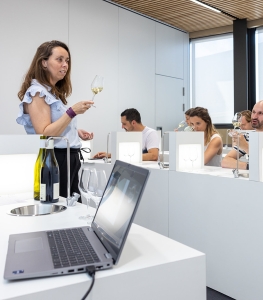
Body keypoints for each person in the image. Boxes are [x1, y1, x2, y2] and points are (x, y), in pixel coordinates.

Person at [16, 40, 94, 199]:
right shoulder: (37, 92)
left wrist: (74, 131)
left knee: (71, 206)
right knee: (60, 208)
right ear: (44, 62)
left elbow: (53, 124)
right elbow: (45, 134)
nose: (65, 65)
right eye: (59, 59)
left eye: (67, 61)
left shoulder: (51, 92)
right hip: (56, 159)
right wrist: (72, 112)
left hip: (67, 157)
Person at [222, 100, 263, 170]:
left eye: (260, 113)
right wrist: (249, 166)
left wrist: (246, 147)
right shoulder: (248, 136)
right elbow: (225, 161)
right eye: (254, 112)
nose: (254, 117)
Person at [93, 108, 159, 161]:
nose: (122, 127)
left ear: (133, 123)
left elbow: (154, 156)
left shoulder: (150, 133)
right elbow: (125, 154)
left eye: (124, 124)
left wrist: (122, 156)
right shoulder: (130, 134)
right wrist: (110, 155)